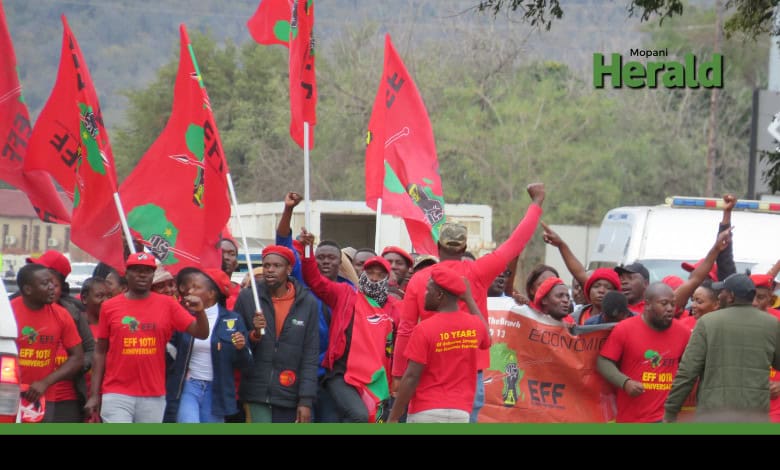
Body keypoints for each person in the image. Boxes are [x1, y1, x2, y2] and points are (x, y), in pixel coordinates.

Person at [393, 182, 545, 423]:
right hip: (469, 377)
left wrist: (399, 374)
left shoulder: (420, 279)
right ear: (464, 248)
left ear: (438, 247)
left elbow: (406, 329)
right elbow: (516, 243)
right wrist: (536, 203)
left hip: (427, 374)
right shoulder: (478, 272)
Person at [84, 252, 210, 423]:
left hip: (153, 394)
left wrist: (200, 311)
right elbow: (100, 352)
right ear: (126, 274)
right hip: (116, 392)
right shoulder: (109, 307)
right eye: (136, 270)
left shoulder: (168, 304)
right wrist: (94, 395)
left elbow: (201, 333)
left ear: (152, 275)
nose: (142, 274)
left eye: (147, 270)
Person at [301, 231, 395, 423]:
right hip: (341, 373)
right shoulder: (346, 294)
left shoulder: (392, 310)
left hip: (373, 379)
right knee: (358, 415)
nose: (375, 278)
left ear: (388, 278)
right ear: (360, 273)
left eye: (380, 274)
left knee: (373, 420)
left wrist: (390, 386)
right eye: (370, 273)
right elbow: (315, 281)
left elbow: (389, 353)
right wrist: (308, 250)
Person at [664, 274, 780, 422]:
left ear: (731, 296)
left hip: (714, 413)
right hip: (755, 414)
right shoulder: (771, 324)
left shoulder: (707, 322)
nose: (719, 296)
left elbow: (688, 372)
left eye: (722, 292)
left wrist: (671, 410)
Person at [388, 266, 490, 423]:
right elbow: (487, 339)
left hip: (425, 412)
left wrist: (393, 417)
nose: (424, 295)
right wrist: (469, 299)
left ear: (440, 295)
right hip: (460, 414)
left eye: (428, 290)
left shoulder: (424, 329)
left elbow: (411, 376)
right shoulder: (474, 325)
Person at [235, 245, 319, 423]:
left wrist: (305, 400)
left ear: (289, 269)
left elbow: (310, 355)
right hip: (255, 392)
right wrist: (254, 335)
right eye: (266, 265)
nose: (270, 270)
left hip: (290, 394)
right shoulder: (248, 298)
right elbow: (237, 348)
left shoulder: (307, 303)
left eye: (276, 266)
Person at [597, 283, 691, 422]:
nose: (670, 309)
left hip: (666, 417)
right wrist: (625, 382)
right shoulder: (625, 329)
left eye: (673, 304)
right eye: (664, 303)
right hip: (632, 418)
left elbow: (690, 366)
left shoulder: (683, 332)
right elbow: (603, 361)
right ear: (647, 305)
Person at [167, 268, 252, 423]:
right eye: (189, 287)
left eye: (197, 287)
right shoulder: (183, 315)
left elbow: (246, 363)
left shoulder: (233, 320)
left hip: (216, 390)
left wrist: (241, 348)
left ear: (212, 294)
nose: (190, 291)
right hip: (188, 386)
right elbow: (170, 351)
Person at [11, 264, 84, 421]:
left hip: (43, 396)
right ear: (28, 290)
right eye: (45, 283)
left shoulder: (62, 315)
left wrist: (45, 382)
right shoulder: (8, 313)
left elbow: (77, 357)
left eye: (52, 282)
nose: (52, 287)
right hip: (8, 394)